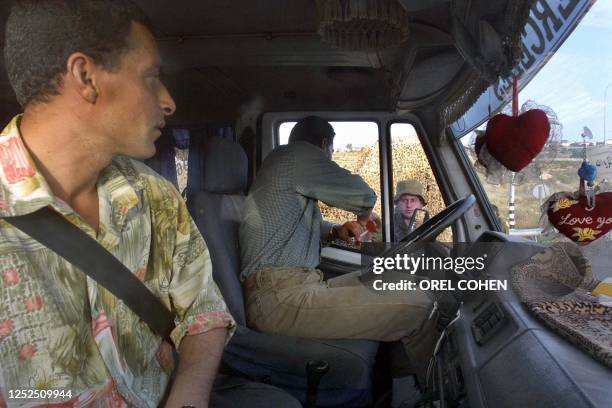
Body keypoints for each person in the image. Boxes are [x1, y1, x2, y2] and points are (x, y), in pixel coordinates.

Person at [0, 1, 236, 406]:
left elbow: (203, 314)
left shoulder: (154, 194)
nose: (168, 102)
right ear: (85, 76)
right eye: (151, 78)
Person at [239, 116, 438, 386]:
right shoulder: (297, 155)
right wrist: (365, 218)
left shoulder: (282, 166)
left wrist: (335, 230)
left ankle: (402, 384)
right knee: (422, 307)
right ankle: (421, 394)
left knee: (391, 277)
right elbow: (364, 194)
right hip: (279, 298)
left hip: (294, 287)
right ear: (324, 145)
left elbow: (304, 223)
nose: (329, 159)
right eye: (330, 153)